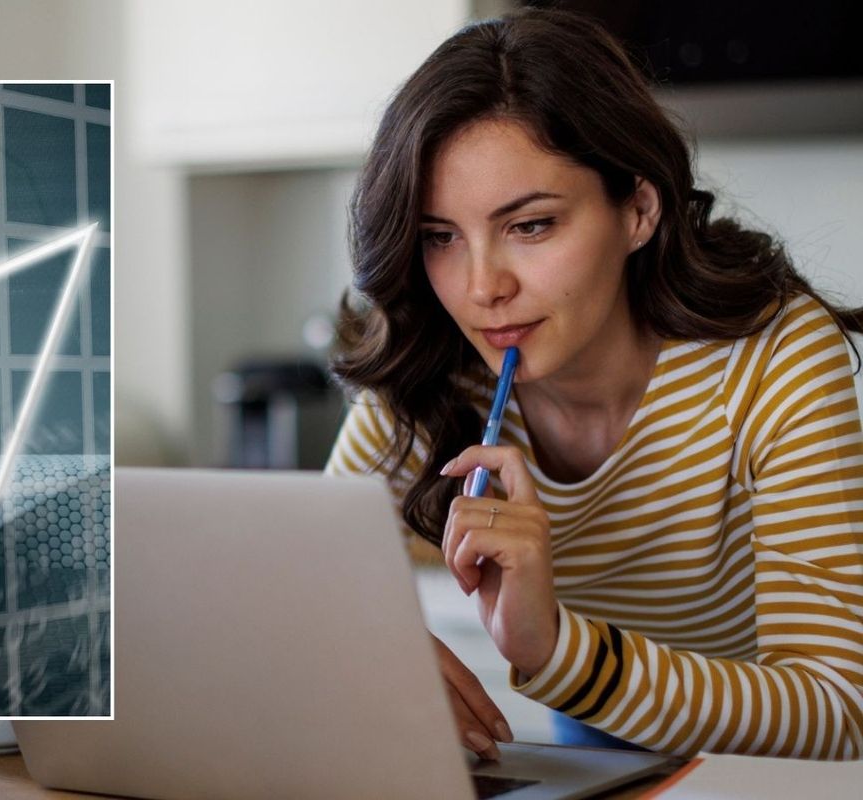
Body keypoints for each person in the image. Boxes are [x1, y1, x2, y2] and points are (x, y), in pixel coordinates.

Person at [326, 8, 863, 762]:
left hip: (762, 771)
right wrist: (367, 655)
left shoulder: (773, 356)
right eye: (439, 237)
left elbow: (839, 710)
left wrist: (556, 650)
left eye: (532, 226)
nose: (482, 289)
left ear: (638, 209)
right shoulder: (431, 365)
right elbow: (302, 588)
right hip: (596, 744)